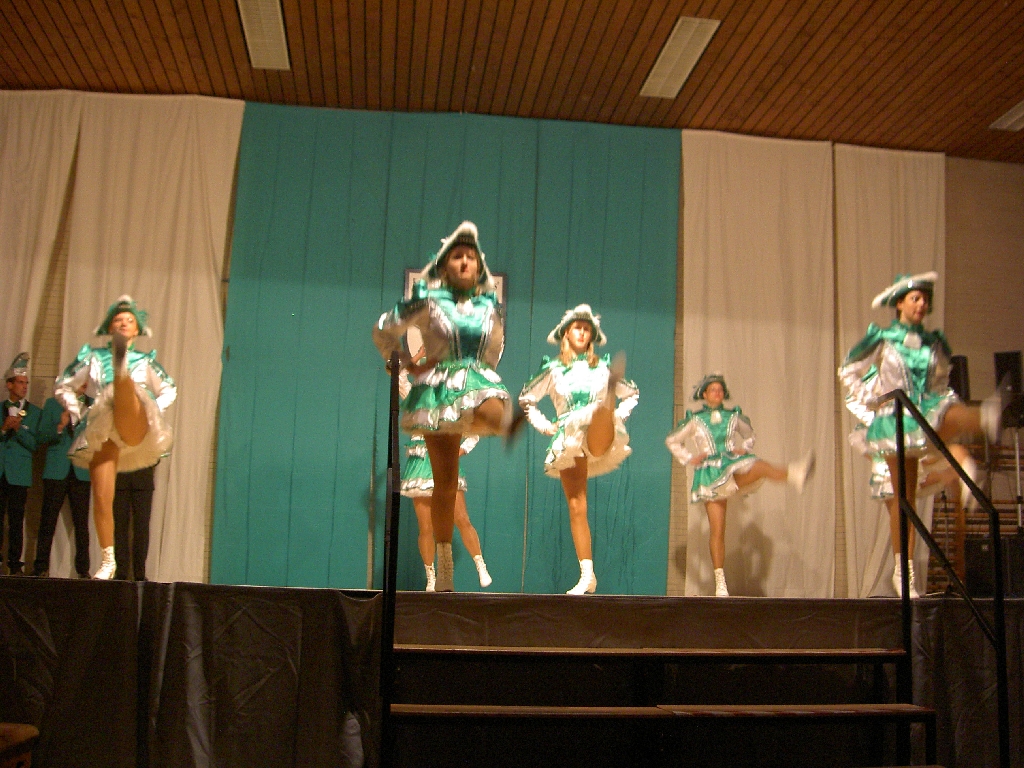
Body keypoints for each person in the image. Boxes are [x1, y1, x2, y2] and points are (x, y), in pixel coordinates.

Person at [839, 272, 1005, 597]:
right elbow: (848, 369)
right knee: (905, 502)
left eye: (925, 299)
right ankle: (904, 574)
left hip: (922, 412)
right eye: (915, 298)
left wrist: (937, 398)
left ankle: (984, 420)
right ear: (899, 303)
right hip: (894, 423)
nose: (922, 304)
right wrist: (873, 398)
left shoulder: (932, 343)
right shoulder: (883, 337)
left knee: (951, 413)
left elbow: (939, 384)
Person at [374, 221, 515, 592]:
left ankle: (492, 418)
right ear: (444, 265)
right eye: (457, 256)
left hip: (473, 382)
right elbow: (386, 328)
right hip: (437, 393)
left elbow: (495, 346)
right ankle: (445, 566)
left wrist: (486, 374)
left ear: (479, 265)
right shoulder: (429, 300)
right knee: (445, 484)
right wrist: (402, 362)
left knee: (497, 411)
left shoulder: (488, 306)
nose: (465, 262)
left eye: (471, 256)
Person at [519, 305, 638, 594]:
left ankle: (606, 407)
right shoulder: (553, 369)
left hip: (598, 430)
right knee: (576, 506)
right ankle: (587, 575)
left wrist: (618, 416)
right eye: (577, 328)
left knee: (599, 411)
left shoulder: (601, 366)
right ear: (566, 334)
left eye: (587, 329)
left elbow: (633, 393)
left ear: (592, 336)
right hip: (569, 437)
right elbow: (526, 399)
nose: (583, 332)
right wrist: (544, 425)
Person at [54, 296, 176, 580]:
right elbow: (63, 385)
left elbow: (168, 389)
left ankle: (121, 374)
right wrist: (78, 413)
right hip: (103, 427)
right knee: (101, 497)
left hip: (134, 421)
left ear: (137, 330)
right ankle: (108, 560)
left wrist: (154, 410)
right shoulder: (93, 357)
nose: (123, 323)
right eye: (118, 320)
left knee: (126, 391)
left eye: (129, 321)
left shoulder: (145, 361)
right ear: (110, 327)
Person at [665, 373, 814, 596]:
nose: (717, 393)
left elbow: (749, 434)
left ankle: (794, 474)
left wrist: (744, 447)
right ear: (704, 394)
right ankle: (720, 582)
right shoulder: (696, 420)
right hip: (710, 475)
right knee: (718, 530)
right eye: (712, 390)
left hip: (731, 465)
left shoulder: (732, 417)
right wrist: (689, 458)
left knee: (759, 465)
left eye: (720, 389)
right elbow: (672, 440)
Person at [402, 435, 492, 591]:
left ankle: (480, 566)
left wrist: (461, 450)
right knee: (426, 527)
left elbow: (474, 434)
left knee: (462, 519)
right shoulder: (416, 418)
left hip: (445, 460)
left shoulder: (452, 418)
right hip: (420, 464)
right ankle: (431, 577)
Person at [33, 381, 93, 578]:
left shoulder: (94, 405)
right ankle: (41, 567)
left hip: (81, 471)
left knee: (82, 524)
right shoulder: (53, 404)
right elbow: (40, 436)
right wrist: (59, 426)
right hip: (56, 470)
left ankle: (83, 570)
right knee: (48, 521)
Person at [0, 353, 41, 576]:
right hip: (1, 472)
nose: (25, 387)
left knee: (16, 520)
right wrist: (3, 429)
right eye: (20, 382)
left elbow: (35, 444)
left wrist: (19, 430)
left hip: (19, 474)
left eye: (26, 383)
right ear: (9, 385)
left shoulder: (34, 413)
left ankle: (15, 563)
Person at [113, 464, 157, 581]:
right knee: (119, 528)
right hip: (119, 478)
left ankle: (140, 573)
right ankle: (121, 572)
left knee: (142, 528)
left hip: (143, 479)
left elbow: (156, 456)